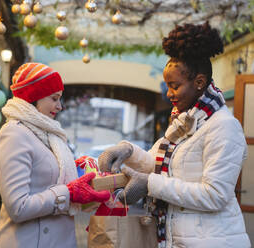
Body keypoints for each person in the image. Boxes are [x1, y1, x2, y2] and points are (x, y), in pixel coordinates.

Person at [98, 22, 251, 248]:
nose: (168, 93)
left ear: (199, 82)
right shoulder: (184, 121)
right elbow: (158, 163)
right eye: (167, 85)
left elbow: (215, 195)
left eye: (175, 86)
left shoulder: (223, 126)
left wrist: (150, 184)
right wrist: (128, 151)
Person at [0, 62, 110, 248]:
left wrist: (78, 173)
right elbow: (18, 207)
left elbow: (48, 177)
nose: (60, 106)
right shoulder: (14, 134)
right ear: (34, 97)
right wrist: (68, 192)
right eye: (54, 98)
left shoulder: (47, 134)